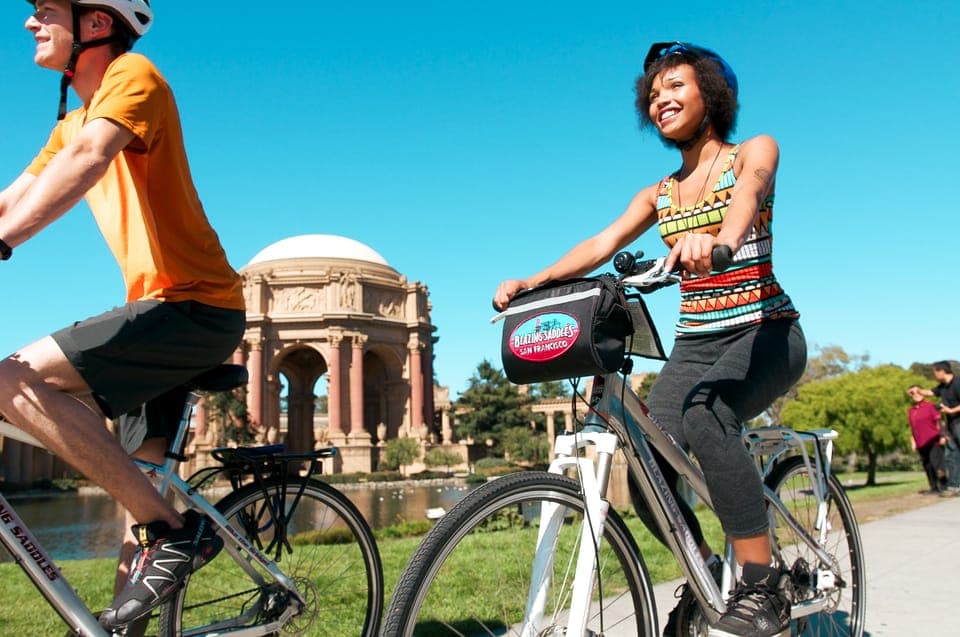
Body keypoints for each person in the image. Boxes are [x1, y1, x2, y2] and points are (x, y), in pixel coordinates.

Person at [494, 41, 806, 637]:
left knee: (706, 416)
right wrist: (534, 282)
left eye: (676, 87)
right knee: (643, 459)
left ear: (712, 94)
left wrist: (719, 241)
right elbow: (600, 244)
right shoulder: (657, 194)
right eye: (654, 94)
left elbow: (750, 192)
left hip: (766, 332)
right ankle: (709, 574)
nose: (662, 100)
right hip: (696, 346)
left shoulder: (751, 150)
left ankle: (761, 583)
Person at [0, 0, 246, 628]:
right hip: (155, 310)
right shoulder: (70, 124)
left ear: (97, 22)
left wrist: (3, 243)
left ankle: (177, 532)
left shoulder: (134, 77)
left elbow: (90, 158)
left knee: (10, 380)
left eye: (46, 10)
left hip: (196, 305)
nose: (30, 23)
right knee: (137, 485)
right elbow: (12, 200)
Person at [918, 361, 960, 495]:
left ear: (942, 371)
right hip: (952, 424)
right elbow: (930, 392)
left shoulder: (957, 383)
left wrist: (951, 410)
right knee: (951, 454)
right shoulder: (943, 386)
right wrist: (918, 390)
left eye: (935, 372)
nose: (934, 375)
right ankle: (955, 486)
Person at [906, 385, 947, 494]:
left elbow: (940, 422)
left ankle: (944, 486)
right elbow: (912, 428)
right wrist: (913, 441)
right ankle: (933, 487)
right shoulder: (911, 411)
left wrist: (943, 435)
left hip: (933, 441)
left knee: (937, 464)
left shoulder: (930, 406)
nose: (915, 395)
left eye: (917, 392)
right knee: (927, 465)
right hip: (920, 442)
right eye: (912, 393)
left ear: (922, 392)